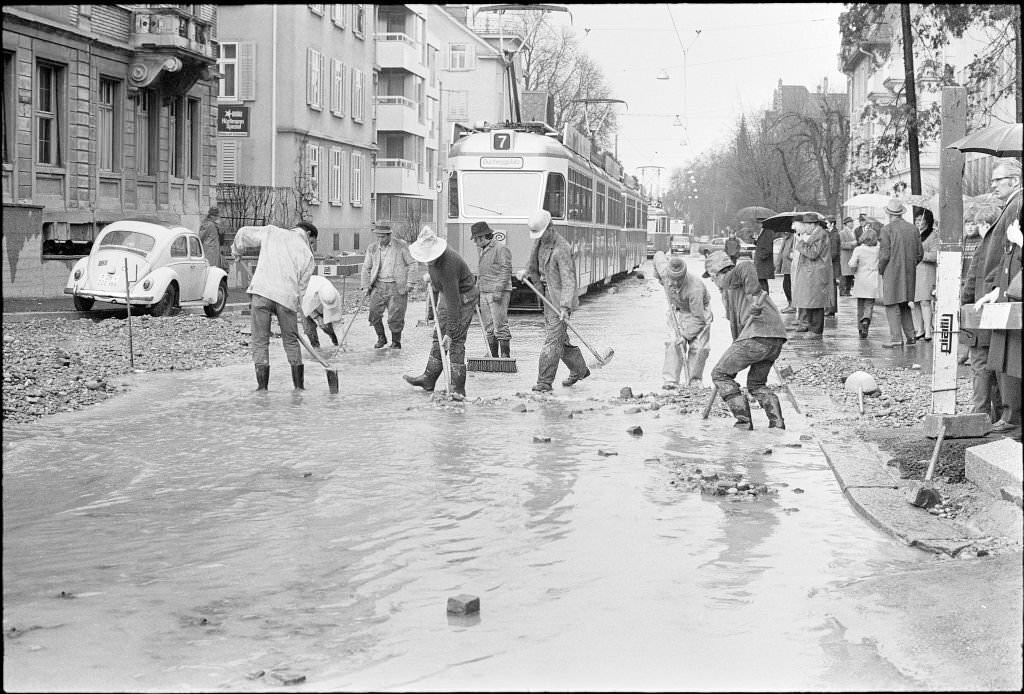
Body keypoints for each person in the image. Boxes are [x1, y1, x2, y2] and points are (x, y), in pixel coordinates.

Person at [703, 250, 788, 430]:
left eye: (712, 278)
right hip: (775, 337)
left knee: (720, 374)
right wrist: (737, 343)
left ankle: (744, 422)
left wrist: (754, 292)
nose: (713, 282)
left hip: (757, 335)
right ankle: (777, 424)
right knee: (756, 384)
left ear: (716, 273)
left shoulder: (730, 279)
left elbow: (747, 265)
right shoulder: (730, 290)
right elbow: (738, 325)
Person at [231, 221, 318, 391]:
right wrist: (296, 309)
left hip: (262, 293)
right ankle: (299, 389)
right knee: (291, 342)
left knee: (260, 341)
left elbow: (243, 233)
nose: (312, 246)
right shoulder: (308, 255)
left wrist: (237, 250)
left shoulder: (272, 232)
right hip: (287, 299)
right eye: (313, 242)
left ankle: (262, 389)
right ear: (307, 234)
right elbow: (302, 289)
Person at [973, 161, 1022, 433]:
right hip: (1007, 290)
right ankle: (1009, 414)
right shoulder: (1013, 204)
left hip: (1014, 294)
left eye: (997, 180)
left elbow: (1013, 253)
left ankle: (1012, 416)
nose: (992, 185)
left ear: (1014, 181)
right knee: (1006, 355)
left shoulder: (1018, 204)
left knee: (1012, 354)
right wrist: (997, 290)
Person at [404, 226, 479, 400]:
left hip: (464, 298)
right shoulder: (433, 261)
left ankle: (458, 389)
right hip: (449, 293)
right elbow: (442, 289)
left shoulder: (448, 264)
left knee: (455, 341)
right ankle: (429, 378)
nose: (427, 261)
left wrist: (450, 333)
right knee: (438, 336)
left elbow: (454, 305)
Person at [519, 209, 590, 393]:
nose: (540, 238)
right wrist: (525, 272)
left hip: (559, 300)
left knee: (552, 340)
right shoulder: (539, 243)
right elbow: (532, 264)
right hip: (546, 296)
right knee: (560, 339)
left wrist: (565, 307)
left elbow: (568, 280)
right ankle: (579, 370)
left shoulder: (562, 248)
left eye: (543, 234)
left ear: (551, 228)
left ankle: (544, 382)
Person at [652, 250, 711, 389]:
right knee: (673, 343)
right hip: (677, 310)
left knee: (699, 347)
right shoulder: (664, 272)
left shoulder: (694, 288)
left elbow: (699, 319)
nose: (674, 283)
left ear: (684, 276)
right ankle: (671, 381)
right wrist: (657, 276)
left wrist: (685, 336)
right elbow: (658, 255)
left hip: (698, 312)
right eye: (672, 279)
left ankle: (694, 381)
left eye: (679, 280)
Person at [360, 223, 415, 349]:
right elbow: (366, 268)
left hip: (396, 286)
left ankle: (396, 341)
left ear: (389, 235)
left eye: (383, 237)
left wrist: (410, 283)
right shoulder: (372, 248)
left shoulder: (401, 246)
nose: (380, 240)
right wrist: (365, 285)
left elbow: (412, 263)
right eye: (378, 237)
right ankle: (381, 337)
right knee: (374, 314)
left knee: (396, 317)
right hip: (378, 285)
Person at [878, 198, 923, 348]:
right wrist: (910, 265)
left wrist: (881, 269)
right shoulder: (913, 229)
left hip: (892, 271)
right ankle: (911, 336)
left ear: (889, 214)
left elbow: (885, 254)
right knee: (904, 304)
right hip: (909, 271)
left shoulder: (887, 230)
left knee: (891, 304)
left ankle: (896, 338)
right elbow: (919, 254)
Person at [471, 221, 513, 358]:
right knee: (488, 326)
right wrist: (477, 291)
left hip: (497, 292)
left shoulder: (500, 248)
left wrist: (499, 290)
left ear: (482, 237)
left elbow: (506, 270)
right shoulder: (482, 249)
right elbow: (481, 272)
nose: (475, 243)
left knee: (500, 325)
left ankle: (505, 356)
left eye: (476, 240)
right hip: (484, 291)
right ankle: (493, 356)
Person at [791, 212, 832, 340]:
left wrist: (800, 243)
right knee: (809, 301)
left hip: (816, 273)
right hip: (811, 273)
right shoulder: (815, 234)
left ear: (812, 224)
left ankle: (816, 330)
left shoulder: (820, 234)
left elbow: (813, 253)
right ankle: (811, 327)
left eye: (806, 225)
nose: (805, 227)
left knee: (816, 302)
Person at [847, 224, 882, 339]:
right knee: (869, 303)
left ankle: (860, 328)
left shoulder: (858, 249)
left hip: (861, 278)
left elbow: (851, 263)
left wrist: (855, 268)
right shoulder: (878, 249)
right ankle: (866, 319)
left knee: (860, 305)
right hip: (873, 278)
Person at [910, 207, 939, 341]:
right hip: (914, 272)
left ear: (928, 221)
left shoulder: (933, 235)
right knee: (915, 302)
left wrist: (920, 254)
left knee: (925, 302)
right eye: (916, 219)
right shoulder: (914, 233)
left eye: (921, 219)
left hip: (926, 272)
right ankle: (919, 329)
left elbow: (935, 255)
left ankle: (928, 330)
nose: (918, 222)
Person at [300, 274, 344, 349]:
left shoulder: (335, 296)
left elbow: (337, 324)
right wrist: (317, 317)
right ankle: (316, 348)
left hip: (319, 301)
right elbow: (305, 308)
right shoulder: (310, 294)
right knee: (308, 328)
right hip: (305, 302)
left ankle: (336, 342)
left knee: (326, 326)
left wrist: (343, 343)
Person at [775, 230, 795, 313]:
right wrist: (778, 266)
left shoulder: (794, 238)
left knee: (788, 286)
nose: (785, 232)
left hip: (791, 266)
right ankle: (790, 303)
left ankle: (792, 305)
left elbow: (792, 252)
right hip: (785, 266)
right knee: (786, 286)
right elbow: (781, 252)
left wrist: (789, 255)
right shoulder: (785, 238)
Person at [753, 218, 775, 293]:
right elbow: (761, 244)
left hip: (763, 262)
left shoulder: (768, 232)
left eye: (759, 223)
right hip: (761, 262)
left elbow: (768, 247)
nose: (757, 225)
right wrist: (756, 240)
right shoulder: (762, 231)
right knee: (761, 281)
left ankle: (765, 300)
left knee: (762, 282)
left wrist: (761, 256)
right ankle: (764, 300)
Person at [825, 215, 841, 316]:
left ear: (832, 223)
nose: (826, 225)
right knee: (830, 287)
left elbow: (834, 252)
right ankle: (830, 308)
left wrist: (826, 259)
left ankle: (831, 309)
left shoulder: (834, 235)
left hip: (832, 265)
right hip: (831, 265)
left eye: (827, 223)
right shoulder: (830, 233)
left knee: (831, 287)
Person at [838, 216, 857, 296]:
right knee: (844, 275)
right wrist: (851, 244)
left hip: (851, 256)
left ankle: (848, 291)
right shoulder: (842, 233)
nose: (852, 224)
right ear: (847, 224)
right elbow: (840, 245)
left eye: (852, 222)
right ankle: (842, 291)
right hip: (845, 256)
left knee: (850, 275)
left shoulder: (853, 232)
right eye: (851, 222)